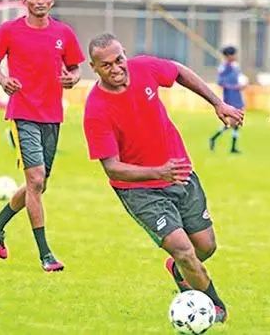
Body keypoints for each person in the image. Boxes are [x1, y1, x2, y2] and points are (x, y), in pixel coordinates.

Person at [82, 32, 243, 322]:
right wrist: (158, 172)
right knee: (184, 250)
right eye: (106, 65)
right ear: (93, 68)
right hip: (139, 190)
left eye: (119, 60)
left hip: (180, 173)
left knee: (205, 247)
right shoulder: (96, 109)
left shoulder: (144, 68)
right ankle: (214, 308)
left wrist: (218, 104)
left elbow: (179, 72)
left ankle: (180, 272)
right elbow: (112, 167)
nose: (116, 68)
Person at [0, 0, 85, 272]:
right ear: (24, 1)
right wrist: (3, 80)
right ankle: (45, 255)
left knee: (37, 185)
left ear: (52, 1)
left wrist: (73, 78)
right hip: (22, 113)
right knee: (36, 181)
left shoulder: (64, 34)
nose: (39, 0)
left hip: (52, 116)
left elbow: (76, 67)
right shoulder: (9, 31)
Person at [208, 46, 246, 154]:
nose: (235, 56)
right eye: (234, 54)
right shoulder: (224, 68)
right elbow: (220, 82)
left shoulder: (235, 67)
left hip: (237, 96)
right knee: (232, 121)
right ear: (229, 56)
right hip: (230, 97)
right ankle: (214, 138)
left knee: (237, 122)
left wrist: (241, 86)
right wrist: (234, 87)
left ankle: (233, 147)